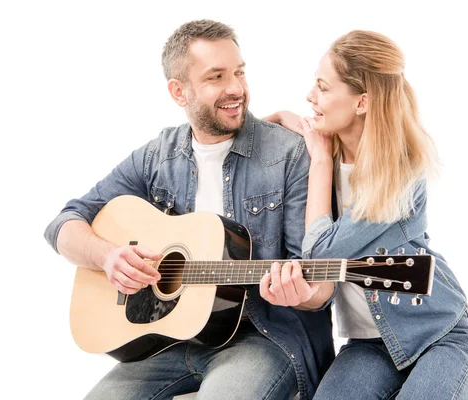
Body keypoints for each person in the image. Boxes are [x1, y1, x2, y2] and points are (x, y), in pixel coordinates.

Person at [44, 20, 334, 400]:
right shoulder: (157, 156)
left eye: (239, 72)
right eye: (216, 77)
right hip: (168, 340)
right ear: (179, 91)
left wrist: (301, 292)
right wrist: (108, 256)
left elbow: (318, 286)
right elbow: (63, 224)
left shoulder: (289, 155)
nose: (236, 89)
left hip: (264, 338)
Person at [263, 30, 468, 399]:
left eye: (323, 87)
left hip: (440, 335)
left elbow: (320, 254)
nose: (309, 97)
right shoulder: (322, 151)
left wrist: (319, 160)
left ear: (361, 102)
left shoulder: (401, 171)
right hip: (368, 344)